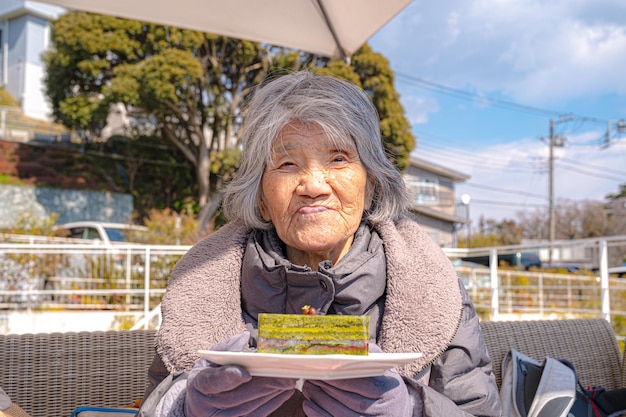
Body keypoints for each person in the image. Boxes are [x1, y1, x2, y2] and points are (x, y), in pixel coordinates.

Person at [139, 71, 502, 417]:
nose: (313, 184)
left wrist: (412, 408)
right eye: (287, 163)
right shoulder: (199, 287)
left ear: (370, 184)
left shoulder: (431, 286)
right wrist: (187, 407)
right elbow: (154, 404)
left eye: (338, 158)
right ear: (261, 196)